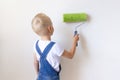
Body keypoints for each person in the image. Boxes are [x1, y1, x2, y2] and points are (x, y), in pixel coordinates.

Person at [31, 13, 79, 80]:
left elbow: (35, 62)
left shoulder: (36, 44)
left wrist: (38, 75)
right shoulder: (55, 46)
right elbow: (70, 55)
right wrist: (74, 41)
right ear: (50, 28)